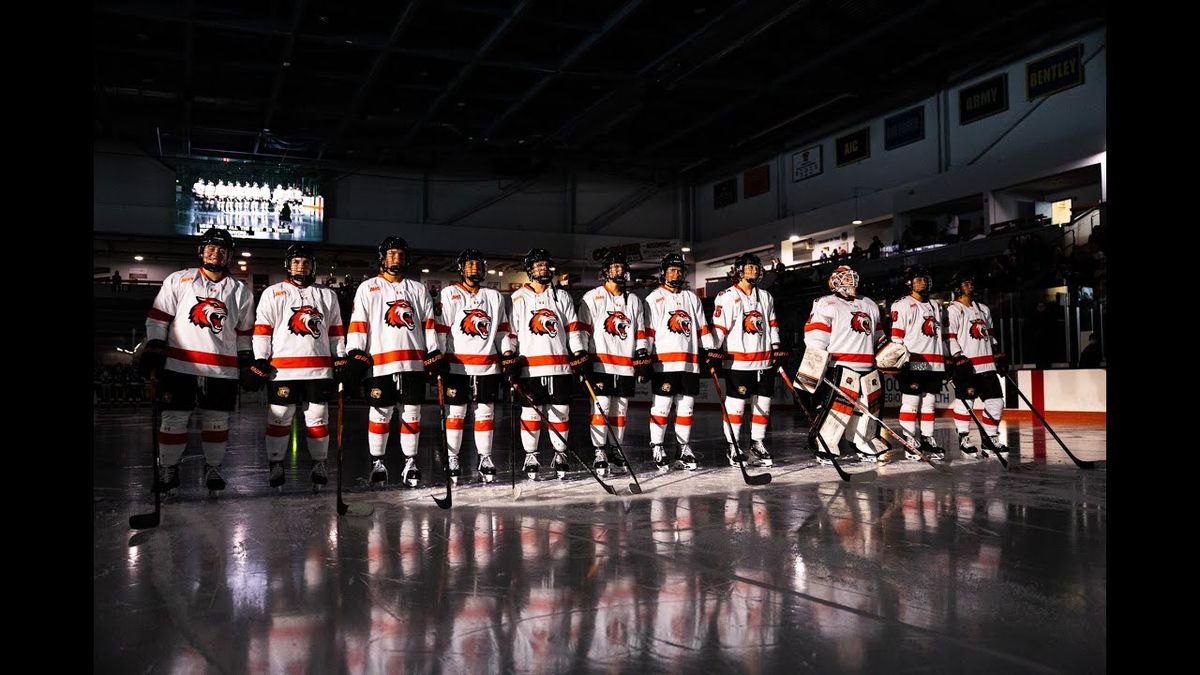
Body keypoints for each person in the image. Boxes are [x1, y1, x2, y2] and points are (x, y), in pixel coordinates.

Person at [138, 227, 255, 494]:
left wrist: (246, 359)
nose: (216, 254)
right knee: (174, 419)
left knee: (217, 421)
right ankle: (168, 468)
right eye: (211, 248)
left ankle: (213, 467)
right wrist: (155, 344)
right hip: (179, 366)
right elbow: (158, 318)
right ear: (201, 251)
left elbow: (244, 333)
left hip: (222, 370)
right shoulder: (179, 280)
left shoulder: (241, 291)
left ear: (229, 256)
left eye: (222, 250)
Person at [344, 236, 447, 488]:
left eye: (400, 254)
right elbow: (359, 323)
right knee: (380, 414)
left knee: (412, 414)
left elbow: (428, 324)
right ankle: (377, 462)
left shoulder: (418, 289)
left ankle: (410, 462)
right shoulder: (368, 288)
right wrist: (355, 351)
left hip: (413, 364)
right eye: (391, 254)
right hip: (380, 364)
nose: (396, 258)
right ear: (382, 258)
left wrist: (434, 351)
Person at [244, 244, 346, 489]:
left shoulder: (328, 295)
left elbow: (335, 331)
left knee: (318, 418)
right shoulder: (272, 293)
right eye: (296, 262)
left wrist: (340, 356)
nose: (301, 266)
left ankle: (319, 463)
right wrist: (260, 358)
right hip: (282, 370)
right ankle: (275, 463)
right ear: (288, 265)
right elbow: (262, 330)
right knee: (279, 417)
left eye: (306, 262)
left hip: (319, 369)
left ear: (313, 266)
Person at [503, 248, 588, 479]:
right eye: (538, 265)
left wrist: (579, 353)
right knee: (531, 414)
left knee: (561, 413)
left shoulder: (562, 296)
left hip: (560, 367)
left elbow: (573, 329)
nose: (543, 269)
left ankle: (560, 454)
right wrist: (509, 357)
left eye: (545, 265)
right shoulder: (518, 297)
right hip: (530, 368)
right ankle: (531, 455)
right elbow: (512, 332)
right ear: (530, 270)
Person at [433, 248, 515, 484]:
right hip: (457, 367)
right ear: (461, 269)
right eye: (469, 264)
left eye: (478, 265)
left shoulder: (494, 296)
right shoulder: (449, 293)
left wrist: (507, 354)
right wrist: (438, 356)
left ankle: (485, 456)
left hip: (488, 366)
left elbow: (502, 330)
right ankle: (452, 457)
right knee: (456, 414)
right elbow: (441, 330)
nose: (474, 268)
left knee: (485, 414)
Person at [800, 265, 889, 464]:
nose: (851, 281)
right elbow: (816, 337)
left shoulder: (869, 304)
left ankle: (864, 441)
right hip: (841, 366)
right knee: (838, 409)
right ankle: (825, 443)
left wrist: (888, 354)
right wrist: (814, 367)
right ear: (834, 281)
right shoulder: (826, 303)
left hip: (868, 366)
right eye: (846, 278)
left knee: (868, 409)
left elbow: (878, 336)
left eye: (852, 277)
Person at [708, 252, 785, 467]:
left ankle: (757, 443)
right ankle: (733, 445)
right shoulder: (727, 296)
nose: (753, 271)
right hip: (738, 362)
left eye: (756, 267)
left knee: (763, 403)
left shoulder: (766, 296)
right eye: (749, 267)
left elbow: (772, 325)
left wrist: (776, 348)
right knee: (736, 405)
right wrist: (713, 351)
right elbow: (720, 328)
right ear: (739, 271)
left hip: (764, 361)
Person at [576, 251, 649, 476]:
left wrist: (642, 354)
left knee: (620, 410)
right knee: (602, 408)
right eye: (614, 267)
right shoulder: (592, 297)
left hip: (625, 365)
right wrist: (581, 356)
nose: (619, 270)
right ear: (606, 271)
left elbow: (640, 331)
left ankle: (616, 449)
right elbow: (582, 330)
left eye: (621, 267)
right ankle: (599, 451)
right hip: (600, 365)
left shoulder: (634, 300)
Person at [644, 253, 714, 471]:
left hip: (690, 363)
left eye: (679, 271)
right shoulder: (654, 298)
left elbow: (703, 328)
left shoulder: (692, 298)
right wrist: (644, 354)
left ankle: (683, 447)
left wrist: (710, 350)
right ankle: (657, 446)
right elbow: (648, 331)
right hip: (664, 364)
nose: (676, 274)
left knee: (686, 407)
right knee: (662, 406)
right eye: (672, 270)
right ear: (663, 273)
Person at [887, 266, 947, 459]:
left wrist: (948, 359)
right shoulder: (902, 304)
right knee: (911, 402)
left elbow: (940, 335)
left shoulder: (936, 305)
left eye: (924, 279)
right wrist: (899, 361)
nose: (922, 282)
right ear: (909, 283)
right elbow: (897, 338)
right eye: (918, 279)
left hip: (935, 363)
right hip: (915, 362)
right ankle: (909, 439)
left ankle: (928, 438)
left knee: (929, 403)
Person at [946, 272, 1007, 457]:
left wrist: (997, 354)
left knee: (996, 403)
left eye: (970, 282)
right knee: (966, 403)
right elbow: (950, 337)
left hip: (987, 366)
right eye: (965, 283)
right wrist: (957, 357)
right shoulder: (952, 310)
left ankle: (990, 438)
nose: (970, 285)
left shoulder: (984, 309)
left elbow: (990, 335)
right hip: (967, 366)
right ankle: (964, 437)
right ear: (957, 288)